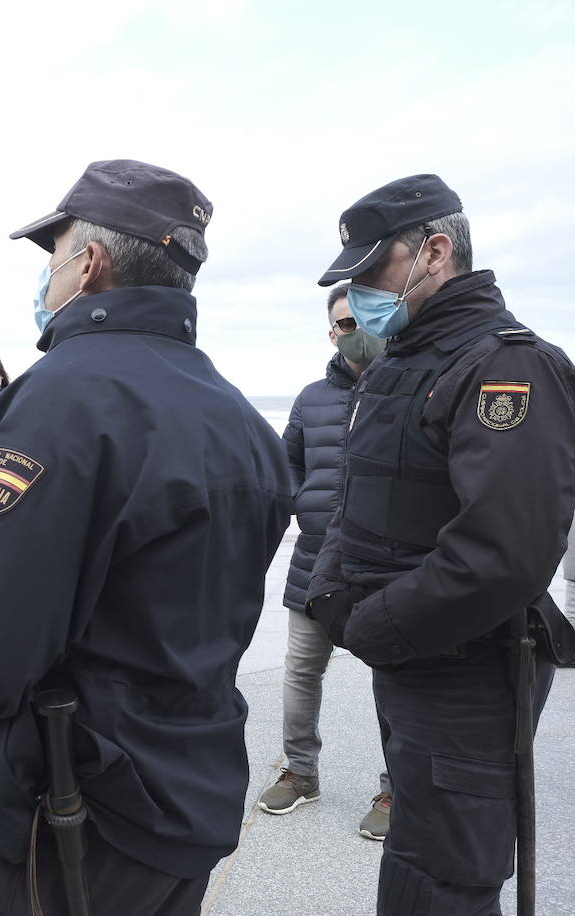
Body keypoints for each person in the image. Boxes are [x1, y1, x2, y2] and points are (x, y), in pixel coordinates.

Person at [0, 162, 292, 916]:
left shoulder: (61, 399)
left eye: (54, 257)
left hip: (77, 809)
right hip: (193, 787)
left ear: (92, 264)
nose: (47, 278)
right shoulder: (236, 414)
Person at [303, 175, 575, 914]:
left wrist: (375, 626)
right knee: (416, 851)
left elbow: (505, 553)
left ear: (436, 251)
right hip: (410, 660)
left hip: (465, 671)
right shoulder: (397, 364)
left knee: (447, 875)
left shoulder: (506, 365)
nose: (358, 293)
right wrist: (329, 595)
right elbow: (352, 495)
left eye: (370, 273)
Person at [257, 285, 393, 840]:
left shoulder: (412, 386)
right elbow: (286, 460)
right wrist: (296, 500)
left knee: (393, 678)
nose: (349, 332)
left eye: (357, 321)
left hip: (385, 565)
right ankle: (300, 771)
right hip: (314, 560)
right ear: (329, 331)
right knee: (301, 671)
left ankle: (397, 786)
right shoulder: (311, 397)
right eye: (339, 324)